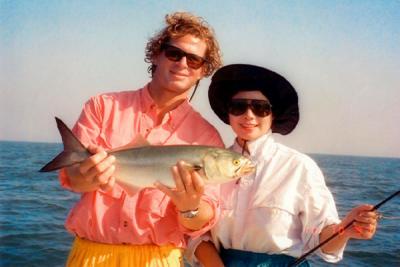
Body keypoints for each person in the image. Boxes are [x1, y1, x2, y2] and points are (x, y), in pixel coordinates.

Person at [58, 12, 224, 266]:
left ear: (202, 71)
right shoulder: (103, 107)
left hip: (158, 260)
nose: (182, 63)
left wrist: (190, 207)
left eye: (194, 60)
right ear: (157, 54)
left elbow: (203, 219)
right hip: (91, 256)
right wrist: (88, 174)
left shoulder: (206, 137)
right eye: (174, 53)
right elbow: (74, 179)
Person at [187, 64, 379, 266]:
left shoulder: (299, 167)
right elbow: (196, 235)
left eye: (260, 108)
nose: (249, 115)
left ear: (273, 115)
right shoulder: (207, 166)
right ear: (229, 113)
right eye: (239, 106)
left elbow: (323, 241)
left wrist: (345, 229)